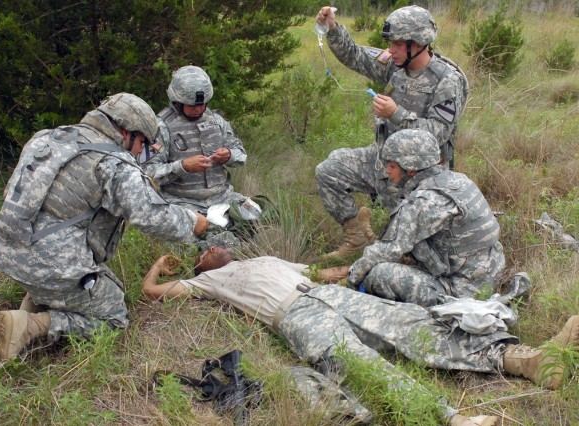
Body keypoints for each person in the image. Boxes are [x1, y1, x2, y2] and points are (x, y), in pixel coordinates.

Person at [142, 248, 579, 426]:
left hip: (328, 295)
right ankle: (451, 418)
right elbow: (152, 293)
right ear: (202, 266)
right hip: (294, 316)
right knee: (358, 361)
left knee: (416, 324)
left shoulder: (267, 257)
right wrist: (161, 266)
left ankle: (527, 361)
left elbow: (321, 272)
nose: (211, 250)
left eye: (214, 247)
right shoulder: (210, 281)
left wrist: (361, 265)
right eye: (203, 253)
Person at [0, 93, 209, 360]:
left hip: (4, 245)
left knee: (62, 257)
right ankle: (31, 325)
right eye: (143, 143)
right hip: (47, 262)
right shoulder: (114, 162)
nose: (140, 152)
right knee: (114, 317)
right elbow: (150, 216)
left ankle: (36, 299)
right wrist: (192, 222)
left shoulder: (49, 138)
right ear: (127, 131)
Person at [314, 5, 468, 258]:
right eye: (390, 43)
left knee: (412, 254)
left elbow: (438, 134)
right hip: (383, 159)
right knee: (329, 171)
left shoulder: (446, 81)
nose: (391, 50)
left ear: (418, 43)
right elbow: (356, 56)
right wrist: (332, 28)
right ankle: (357, 238)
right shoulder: (395, 65)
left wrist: (396, 113)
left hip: (418, 174)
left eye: (398, 44)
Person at [347, 129, 504, 307]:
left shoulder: (423, 202)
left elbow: (386, 250)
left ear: (411, 170)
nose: (387, 171)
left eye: (392, 165)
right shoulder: (458, 180)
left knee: (378, 274)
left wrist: (352, 278)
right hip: (489, 273)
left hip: (462, 293)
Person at [141, 65, 248, 214]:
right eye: (192, 106)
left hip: (223, 198)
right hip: (180, 204)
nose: (198, 109)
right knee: (212, 234)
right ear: (177, 102)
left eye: (202, 104)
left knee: (260, 218)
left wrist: (229, 155)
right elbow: (147, 174)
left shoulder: (217, 121)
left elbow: (241, 154)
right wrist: (182, 166)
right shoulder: (160, 128)